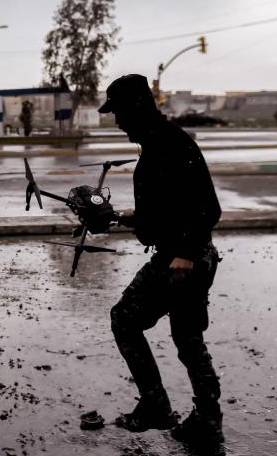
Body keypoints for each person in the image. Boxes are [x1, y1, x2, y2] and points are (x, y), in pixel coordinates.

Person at [78, 74, 224, 452]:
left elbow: (207, 207)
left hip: (183, 260)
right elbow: (164, 212)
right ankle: (206, 422)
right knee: (188, 341)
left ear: (137, 107)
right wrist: (117, 217)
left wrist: (185, 254)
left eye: (120, 112)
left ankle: (157, 405)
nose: (117, 121)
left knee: (124, 319)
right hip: (189, 256)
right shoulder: (157, 145)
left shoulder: (172, 145)